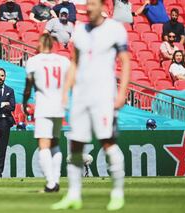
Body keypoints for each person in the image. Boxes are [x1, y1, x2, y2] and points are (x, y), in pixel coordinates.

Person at [51, 0, 130, 211]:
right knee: (75, 145)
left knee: (107, 143)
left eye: (93, 4)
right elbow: (75, 62)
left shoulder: (115, 29)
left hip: (103, 96)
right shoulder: (80, 30)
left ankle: (117, 194)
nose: (88, 7)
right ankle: (73, 195)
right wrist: (66, 91)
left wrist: (122, 92)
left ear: (103, 5)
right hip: (81, 96)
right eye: (87, 4)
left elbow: (126, 61)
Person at [23, 33, 70, 192]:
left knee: (43, 144)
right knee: (55, 143)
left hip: (44, 105)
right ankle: (55, 180)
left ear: (41, 44)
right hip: (59, 106)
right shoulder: (63, 61)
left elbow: (28, 85)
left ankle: (50, 183)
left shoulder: (34, 61)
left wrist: (24, 102)